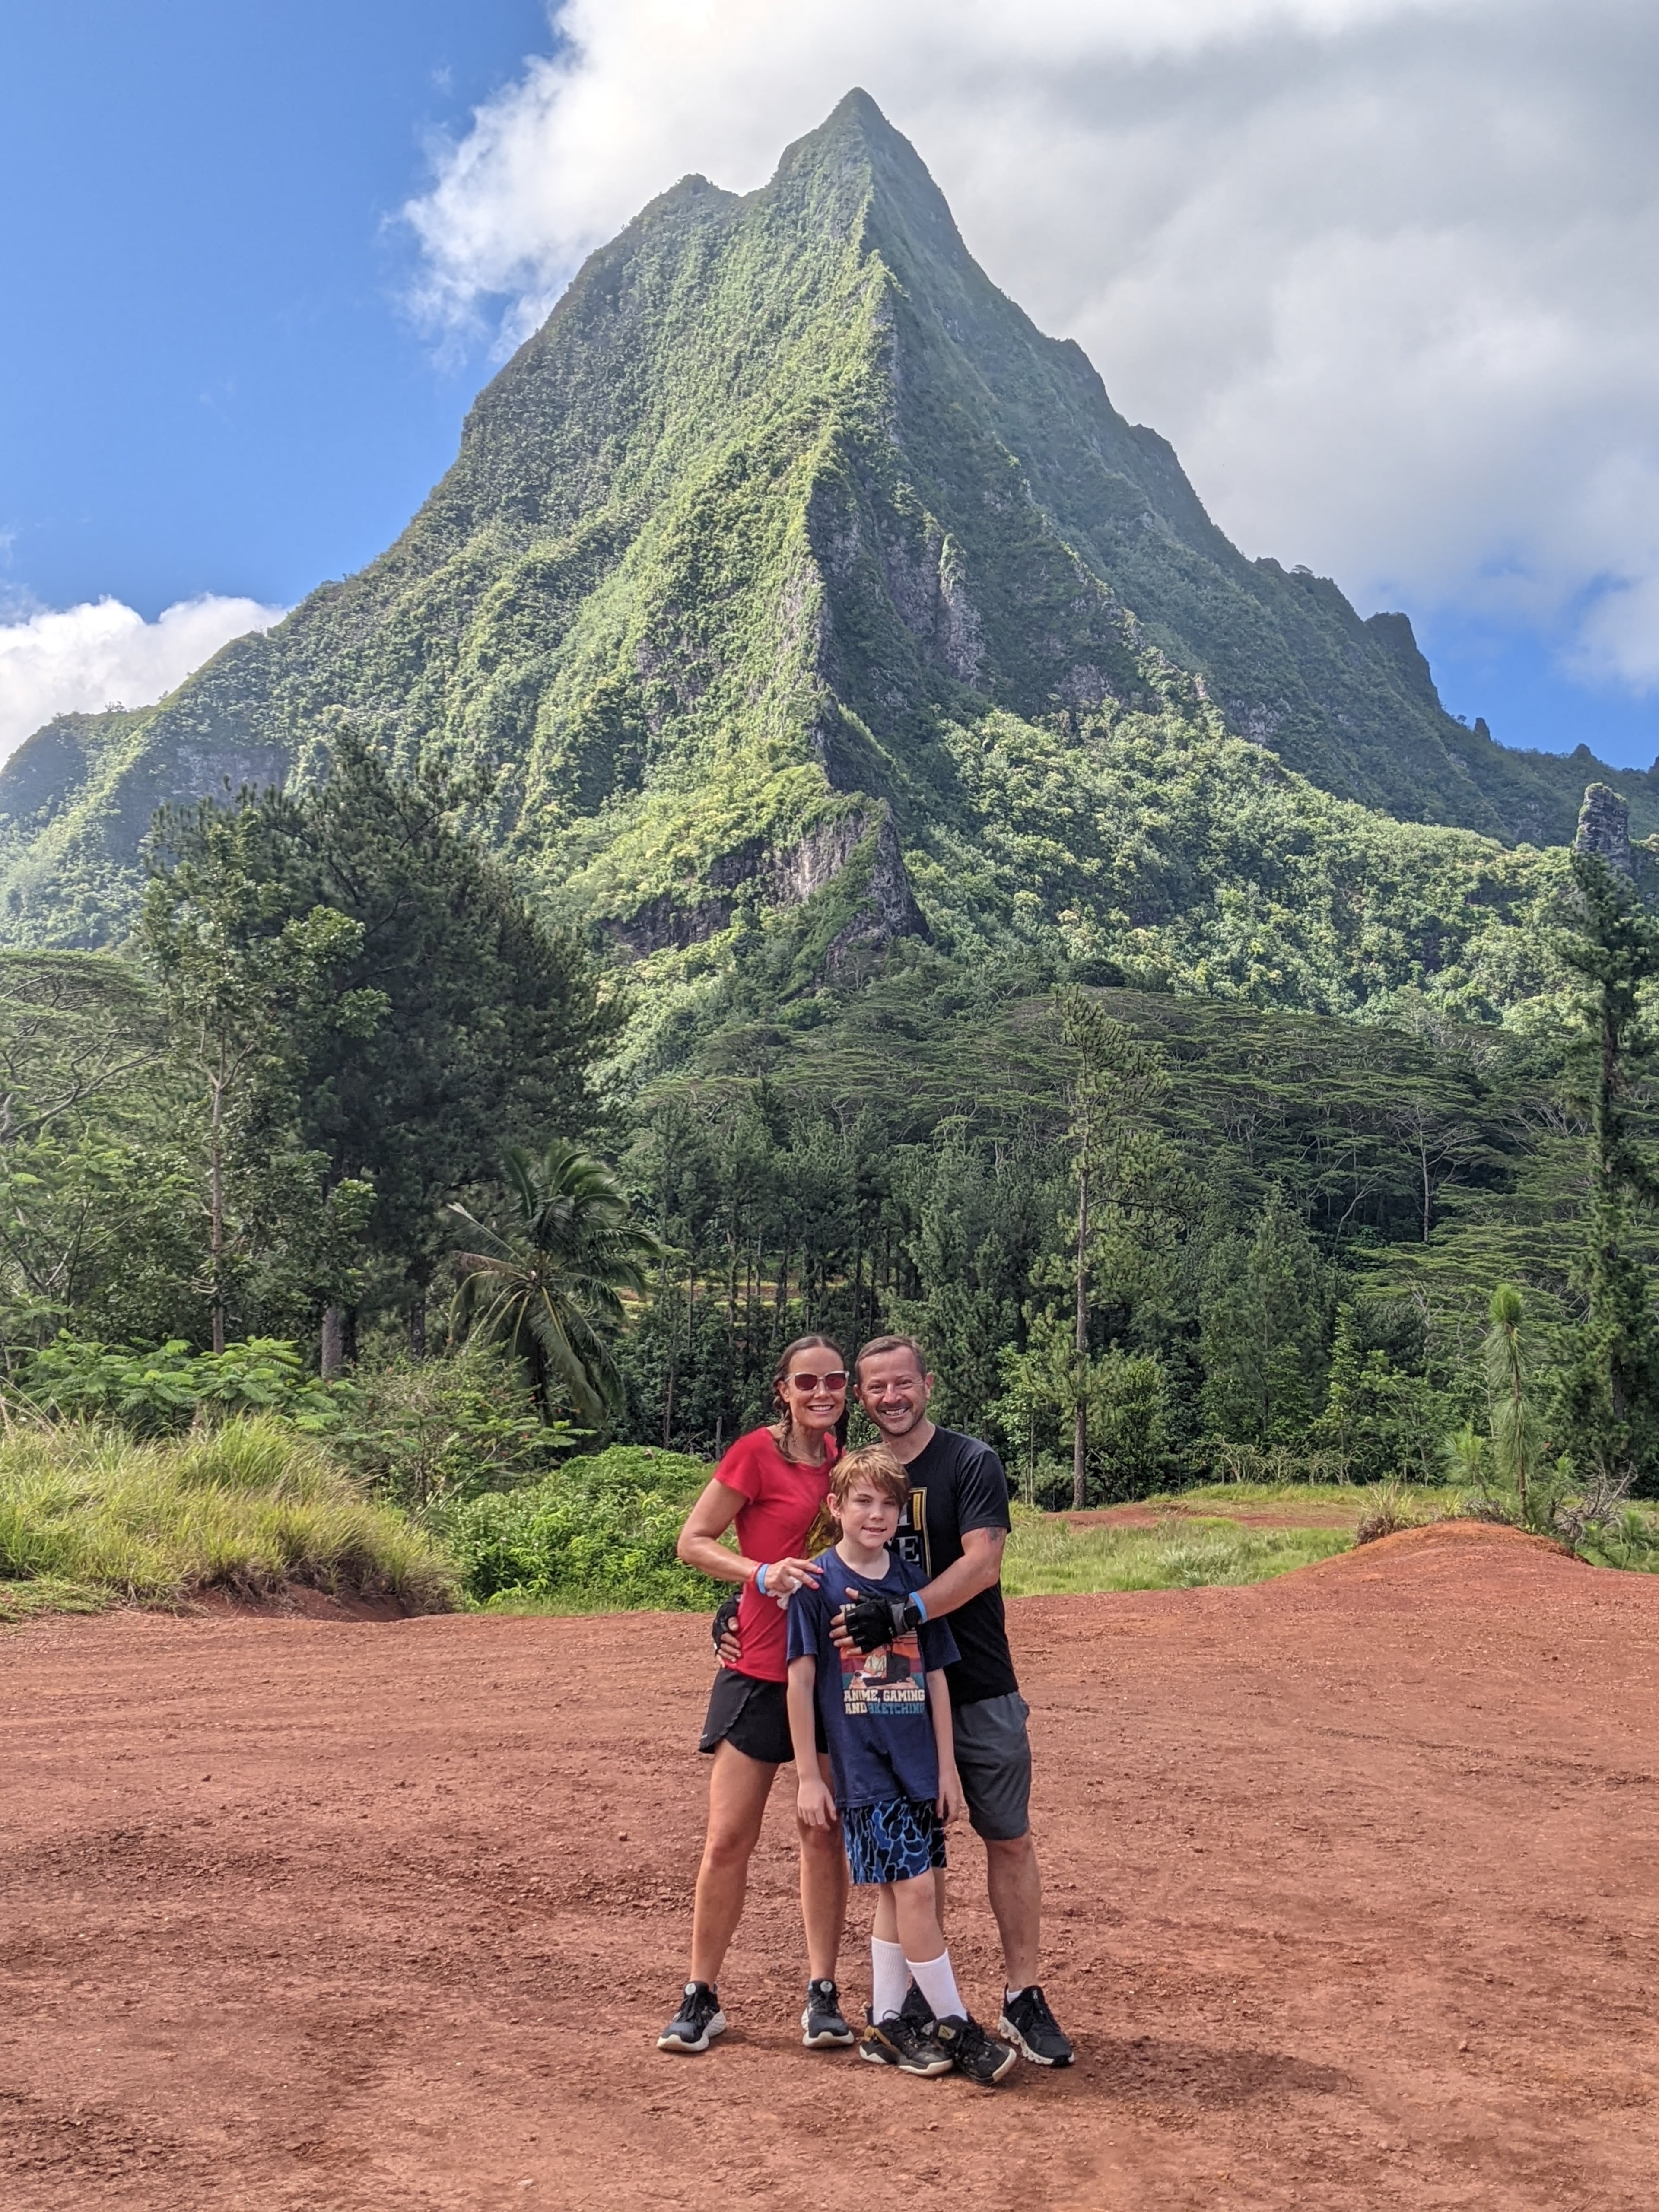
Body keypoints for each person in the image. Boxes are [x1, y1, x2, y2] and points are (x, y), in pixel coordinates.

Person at [835, 1335, 1074, 2068]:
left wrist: (903, 1614)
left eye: (902, 1383)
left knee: (1009, 1837)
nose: (891, 1398)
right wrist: (747, 1600)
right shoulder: (861, 1475)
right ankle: (909, 2005)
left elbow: (982, 1563)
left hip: (979, 1682)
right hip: (889, 1702)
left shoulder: (971, 1463)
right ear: (863, 1397)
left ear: (927, 1385)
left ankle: (1021, 1995)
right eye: (876, 1388)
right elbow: (815, 1556)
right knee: (919, 1861)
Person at [787, 1446, 1018, 2087]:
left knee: (897, 1892)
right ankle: (957, 2024)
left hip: (918, 1762)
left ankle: (888, 2023)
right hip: (864, 1769)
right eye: (862, 1500)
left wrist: (946, 1768)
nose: (876, 1514)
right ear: (835, 1507)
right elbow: (799, 1685)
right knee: (917, 1890)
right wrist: (810, 1775)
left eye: (889, 1503)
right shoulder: (817, 1584)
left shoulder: (911, 1579)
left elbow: (938, 1677)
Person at [656, 1335, 854, 2055]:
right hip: (758, 1672)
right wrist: (757, 1575)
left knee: (822, 1833)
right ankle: (700, 1994)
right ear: (784, 1389)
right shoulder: (754, 1453)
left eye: (834, 1380)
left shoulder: (844, 1462)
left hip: (826, 1672)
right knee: (727, 1839)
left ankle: (823, 1993)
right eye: (807, 1382)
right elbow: (693, 1540)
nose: (821, 1392)